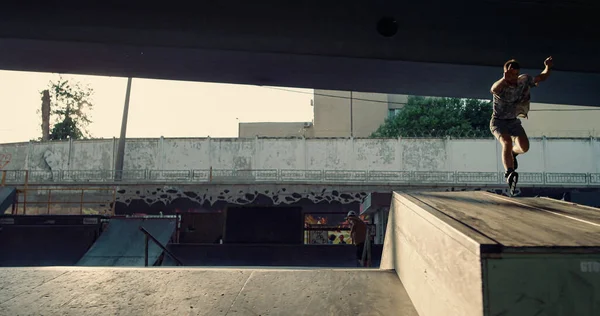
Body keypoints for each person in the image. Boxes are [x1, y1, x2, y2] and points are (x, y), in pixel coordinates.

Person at [490, 56, 553, 195]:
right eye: (511, 74)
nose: (514, 78)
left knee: (524, 147)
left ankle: (513, 153)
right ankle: (509, 172)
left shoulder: (523, 81)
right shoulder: (501, 86)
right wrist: (504, 79)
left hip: (513, 121)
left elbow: (541, 78)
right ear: (506, 72)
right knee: (506, 142)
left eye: (516, 74)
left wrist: (547, 67)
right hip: (498, 122)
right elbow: (493, 89)